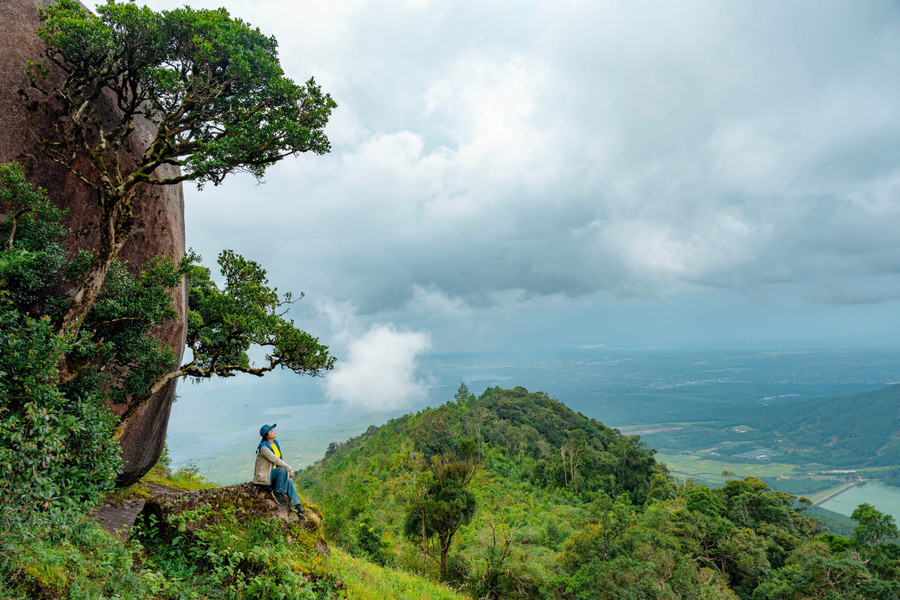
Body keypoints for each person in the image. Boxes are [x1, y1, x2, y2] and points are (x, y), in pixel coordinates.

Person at [254, 423, 305, 518]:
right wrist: (289, 468)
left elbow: (280, 460)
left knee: (289, 481)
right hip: (265, 477)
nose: (274, 431)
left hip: (274, 475)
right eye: (271, 431)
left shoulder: (275, 444)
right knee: (282, 470)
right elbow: (275, 459)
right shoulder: (264, 448)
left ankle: (297, 505)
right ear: (267, 436)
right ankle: (277, 492)